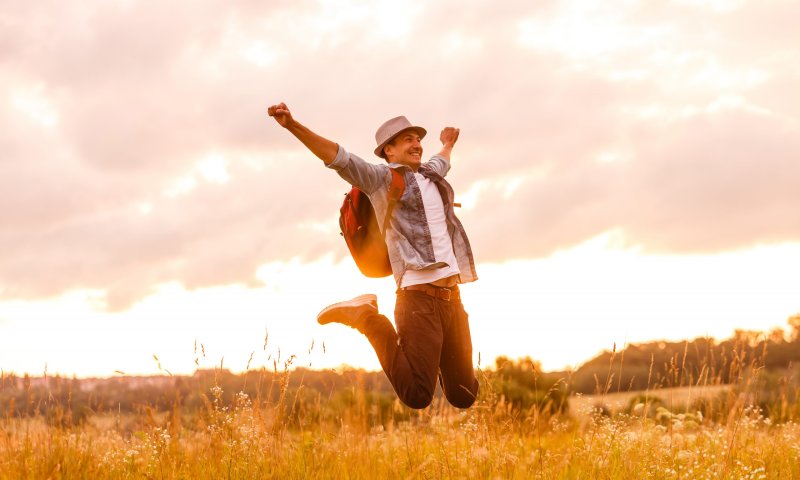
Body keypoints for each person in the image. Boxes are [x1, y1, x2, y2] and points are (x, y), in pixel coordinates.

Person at [267, 102, 479, 409]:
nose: (416, 144)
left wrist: (447, 144)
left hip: (452, 298)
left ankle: (436, 356)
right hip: (418, 301)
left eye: (418, 139)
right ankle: (366, 317)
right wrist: (292, 125)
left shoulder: (432, 174)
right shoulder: (380, 179)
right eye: (407, 139)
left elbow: (442, 160)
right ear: (388, 151)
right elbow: (338, 157)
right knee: (418, 395)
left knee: (464, 394)